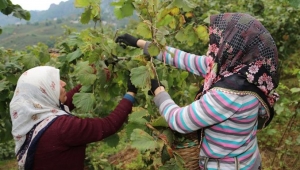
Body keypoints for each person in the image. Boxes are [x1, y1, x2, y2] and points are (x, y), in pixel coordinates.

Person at [115, 13, 279, 170]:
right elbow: (184, 59)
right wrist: (141, 43)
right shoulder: (249, 73)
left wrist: (158, 91)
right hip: (247, 159)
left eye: (222, 39)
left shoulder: (230, 95)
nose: (217, 43)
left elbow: (180, 121)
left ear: (234, 47)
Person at [9, 66, 137, 170]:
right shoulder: (63, 128)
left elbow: (68, 102)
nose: (64, 83)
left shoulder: (33, 115)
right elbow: (108, 125)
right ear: (45, 91)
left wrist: (92, 76)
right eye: (55, 83)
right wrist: (130, 93)